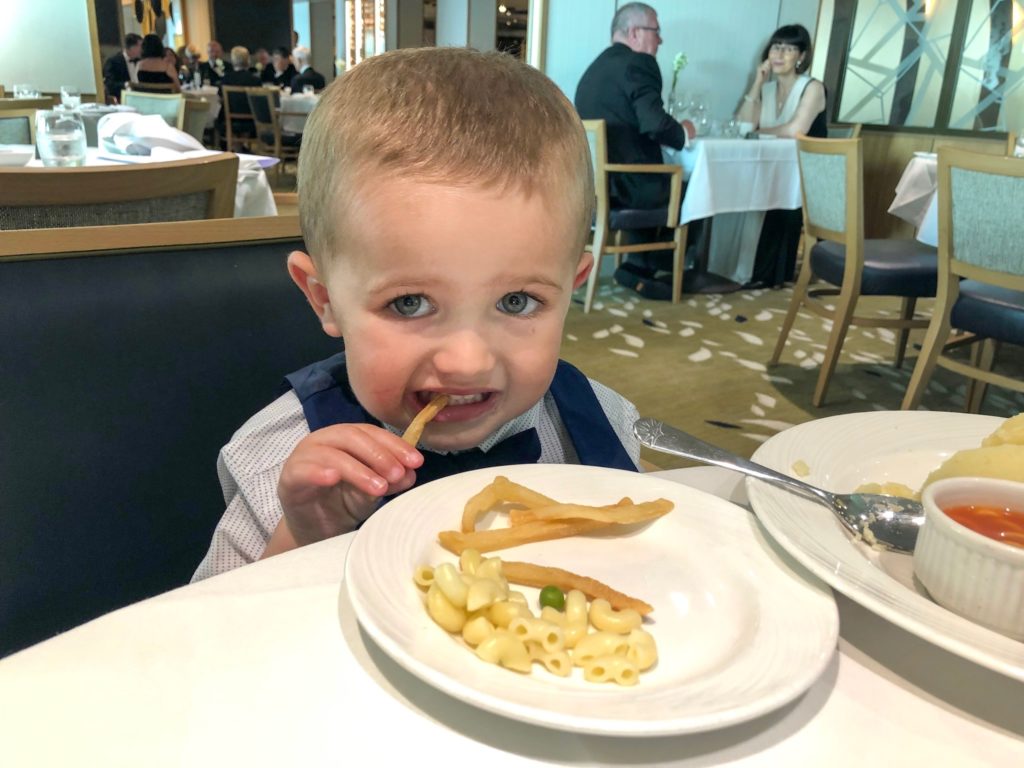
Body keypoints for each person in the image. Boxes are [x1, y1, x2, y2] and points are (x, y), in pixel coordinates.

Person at [192, 47, 642, 580]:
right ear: (324, 298)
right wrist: (301, 537)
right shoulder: (275, 461)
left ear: (572, 290)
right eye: (410, 304)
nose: (467, 361)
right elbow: (212, 641)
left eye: (517, 302)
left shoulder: (603, 423)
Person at [574, 3, 695, 301]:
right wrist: (683, 132)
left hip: (598, 187)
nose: (661, 40)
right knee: (696, 190)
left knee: (664, 180)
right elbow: (653, 122)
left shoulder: (595, 69)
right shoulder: (639, 64)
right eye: (656, 31)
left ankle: (637, 268)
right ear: (634, 33)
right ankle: (655, 272)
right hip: (630, 188)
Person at [735, 23, 827, 288]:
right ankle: (740, 266)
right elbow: (744, 126)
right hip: (773, 168)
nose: (779, 54)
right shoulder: (767, 90)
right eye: (776, 47)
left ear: (801, 56)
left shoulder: (813, 87)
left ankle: (768, 273)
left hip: (809, 173)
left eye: (788, 49)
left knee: (780, 189)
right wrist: (756, 83)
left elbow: (795, 130)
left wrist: (757, 132)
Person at [102, 33, 142, 104]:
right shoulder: (113, 62)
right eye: (140, 46)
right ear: (131, 47)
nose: (142, 49)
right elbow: (109, 85)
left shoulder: (141, 61)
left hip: (141, 98)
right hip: (122, 101)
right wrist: (126, 85)